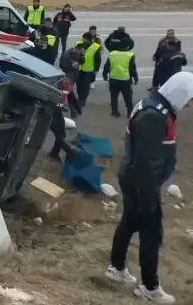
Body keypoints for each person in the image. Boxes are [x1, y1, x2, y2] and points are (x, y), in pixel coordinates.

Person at [105, 71, 193, 304]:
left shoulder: (154, 105)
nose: (189, 104)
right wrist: (148, 198)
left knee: (130, 221)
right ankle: (150, 287)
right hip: (142, 182)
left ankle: (116, 268)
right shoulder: (154, 116)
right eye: (190, 98)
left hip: (135, 179)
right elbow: (144, 160)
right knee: (151, 233)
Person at [103, 44, 139, 117]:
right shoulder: (130, 55)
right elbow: (132, 68)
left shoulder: (112, 54)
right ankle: (129, 113)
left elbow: (107, 66)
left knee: (114, 96)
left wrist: (105, 75)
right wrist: (135, 78)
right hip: (125, 80)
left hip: (113, 79)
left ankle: (114, 112)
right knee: (128, 98)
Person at [59, 43, 87, 118]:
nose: (82, 53)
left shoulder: (79, 54)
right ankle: (75, 111)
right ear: (77, 49)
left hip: (73, 77)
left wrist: (80, 60)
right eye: (81, 52)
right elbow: (62, 66)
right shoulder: (67, 55)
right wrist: (71, 66)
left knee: (69, 94)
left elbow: (83, 61)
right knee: (69, 94)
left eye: (83, 52)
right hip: (68, 78)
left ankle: (75, 110)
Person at [75, 32, 101, 107]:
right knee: (78, 85)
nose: (83, 40)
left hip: (89, 70)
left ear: (90, 39)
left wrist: (96, 69)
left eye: (85, 39)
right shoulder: (78, 44)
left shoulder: (95, 47)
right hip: (79, 69)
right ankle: (80, 98)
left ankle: (82, 100)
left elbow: (97, 59)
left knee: (85, 86)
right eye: (83, 38)